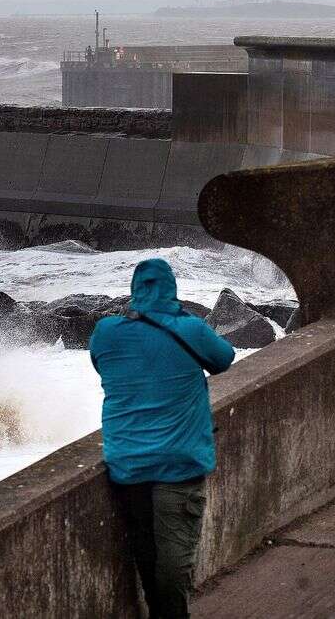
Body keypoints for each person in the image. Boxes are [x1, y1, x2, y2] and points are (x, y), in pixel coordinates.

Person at [89, 259, 235, 619]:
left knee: (148, 560)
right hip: (178, 465)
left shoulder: (106, 332)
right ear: (172, 290)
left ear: (134, 291)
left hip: (128, 465)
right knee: (173, 567)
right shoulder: (190, 329)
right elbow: (223, 359)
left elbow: (101, 363)